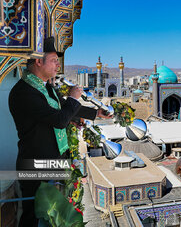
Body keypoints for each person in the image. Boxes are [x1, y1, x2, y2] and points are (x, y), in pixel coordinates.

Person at [8, 37, 110, 226]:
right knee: (34, 215)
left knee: (53, 215)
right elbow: (59, 119)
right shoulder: (24, 92)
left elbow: (61, 108)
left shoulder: (44, 88)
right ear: (38, 60)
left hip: (51, 160)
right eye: (54, 60)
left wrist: (95, 113)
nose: (58, 65)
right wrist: (73, 98)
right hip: (35, 163)